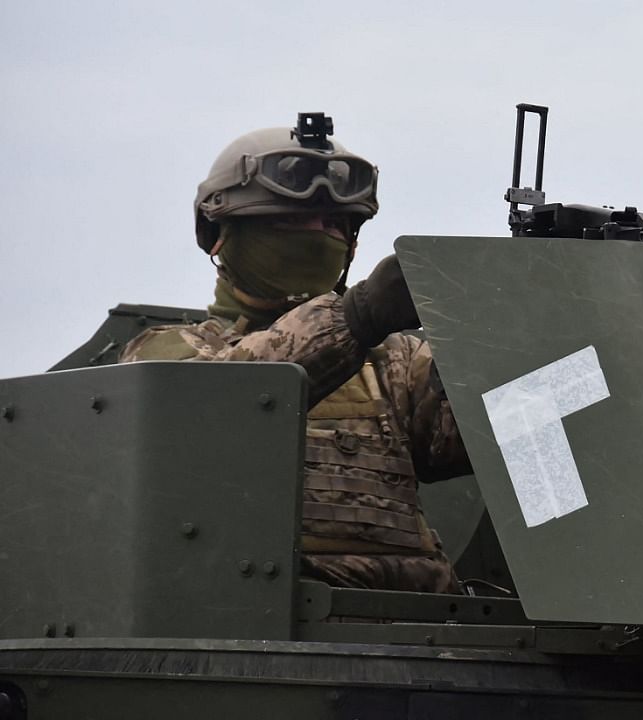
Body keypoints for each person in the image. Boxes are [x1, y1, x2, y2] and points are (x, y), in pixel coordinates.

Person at [121, 112, 469, 593]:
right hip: (259, 619)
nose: (316, 234)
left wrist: (526, 335)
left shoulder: (394, 362)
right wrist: (358, 315)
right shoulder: (165, 353)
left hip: (421, 627)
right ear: (219, 235)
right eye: (287, 221)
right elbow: (225, 403)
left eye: (332, 224)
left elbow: (488, 434)